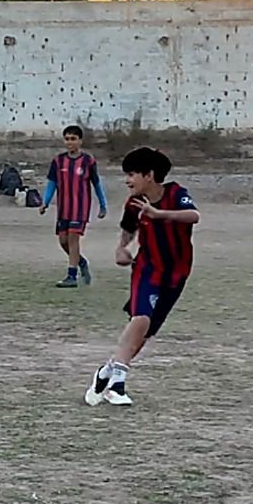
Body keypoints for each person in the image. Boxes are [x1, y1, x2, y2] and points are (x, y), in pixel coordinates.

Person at [85, 147, 200, 407]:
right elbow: (128, 230)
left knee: (145, 333)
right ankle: (117, 384)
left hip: (177, 273)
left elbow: (194, 215)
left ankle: (106, 372)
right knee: (141, 318)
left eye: (132, 174)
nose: (127, 180)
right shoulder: (133, 204)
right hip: (147, 267)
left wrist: (160, 215)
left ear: (149, 175)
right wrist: (122, 248)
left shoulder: (175, 194)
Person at [40, 125, 108, 287]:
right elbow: (52, 183)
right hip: (64, 208)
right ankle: (81, 262)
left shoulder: (88, 161)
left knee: (73, 238)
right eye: (67, 139)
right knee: (63, 241)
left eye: (73, 139)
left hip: (80, 208)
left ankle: (72, 276)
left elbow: (96, 184)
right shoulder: (58, 161)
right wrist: (45, 202)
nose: (70, 142)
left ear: (80, 141)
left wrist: (103, 205)